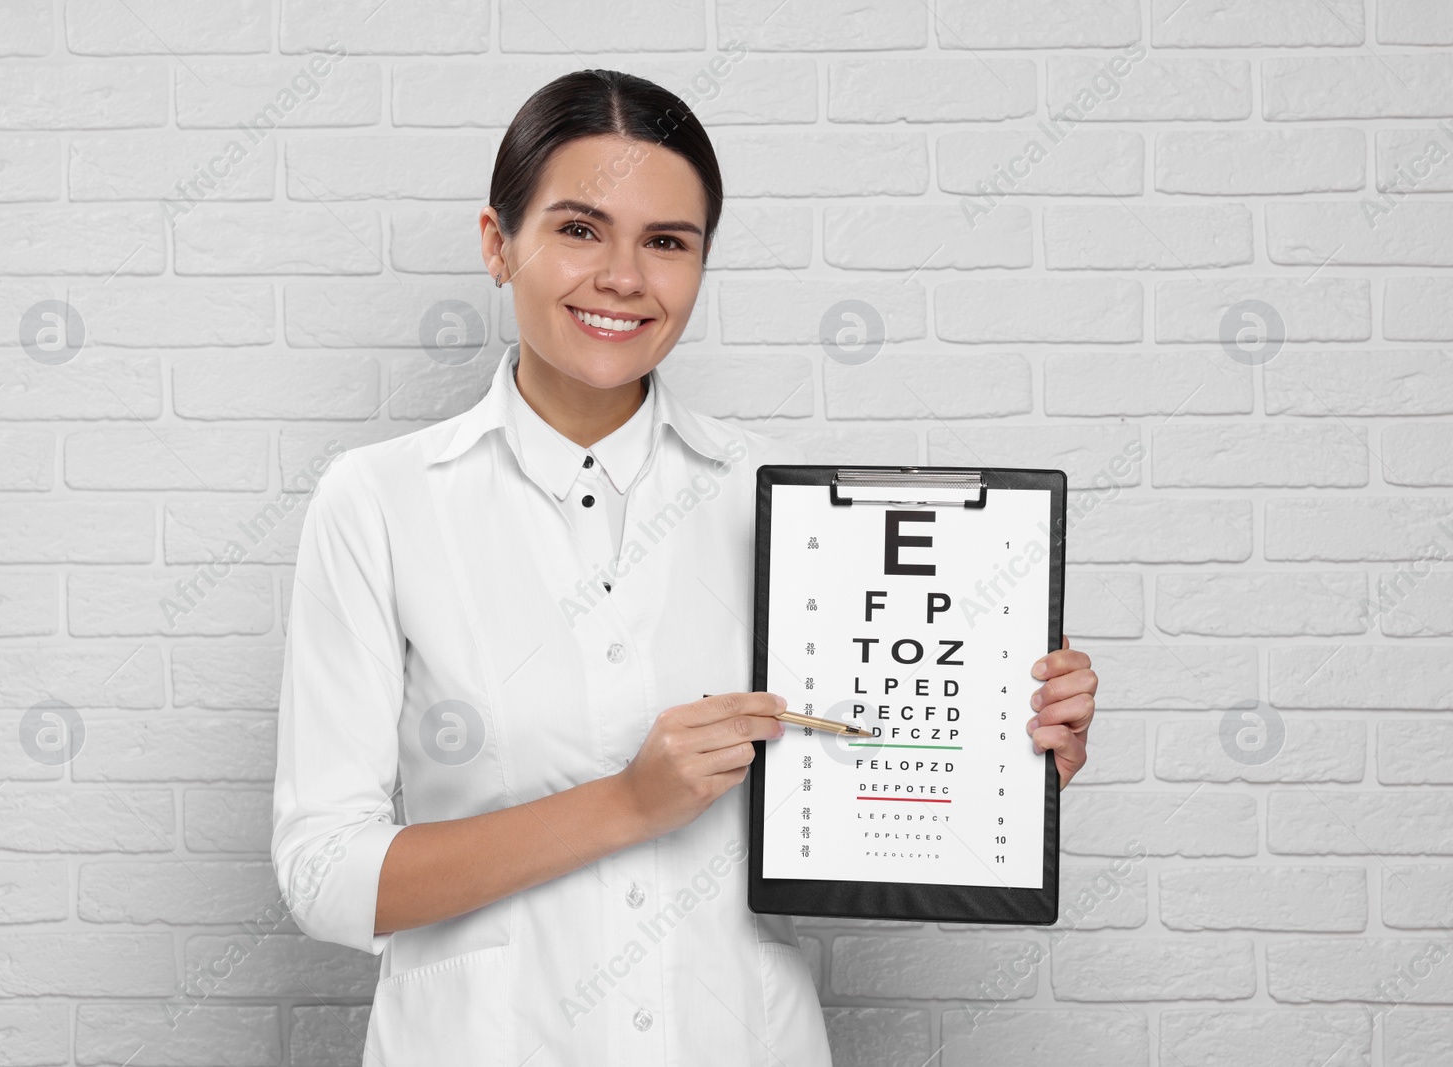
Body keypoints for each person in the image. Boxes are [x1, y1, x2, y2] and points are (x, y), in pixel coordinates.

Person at [271, 68, 1100, 1067]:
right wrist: (627, 803)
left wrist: (999, 745)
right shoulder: (379, 501)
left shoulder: (785, 502)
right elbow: (324, 873)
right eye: (580, 229)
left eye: (666, 242)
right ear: (497, 244)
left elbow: (858, 766)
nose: (624, 276)